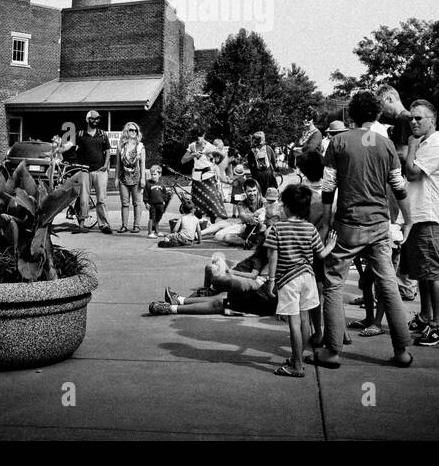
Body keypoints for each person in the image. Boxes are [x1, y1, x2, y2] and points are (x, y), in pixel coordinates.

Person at [318, 90, 414, 369]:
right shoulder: (385, 145)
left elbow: (327, 188)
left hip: (348, 223)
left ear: (350, 114)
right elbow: (398, 187)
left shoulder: (338, 142)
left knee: (334, 282)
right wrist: (407, 220)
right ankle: (401, 350)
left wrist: (326, 223)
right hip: (379, 223)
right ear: (377, 114)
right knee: (388, 284)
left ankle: (333, 350)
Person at [265, 183, 335, 377]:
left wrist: (271, 280)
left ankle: (296, 365)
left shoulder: (277, 229)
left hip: (288, 279)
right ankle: (299, 356)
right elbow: (320, 254)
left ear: (287, 206)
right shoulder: (310, 228)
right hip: (308, 278)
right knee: (305, 321)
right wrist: (330, 244)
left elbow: (273, 256)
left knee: (293, 322)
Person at [399, 100, 439, 346]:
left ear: (432, 120)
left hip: (429, 216)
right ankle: (425, 315)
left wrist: (411, 147)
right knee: (422, 272)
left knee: (434, 272)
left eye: (420, 118)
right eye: (412, 117)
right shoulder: (425, 144)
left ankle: (438, 325)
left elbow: (411, 172)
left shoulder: (435, 146)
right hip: (418, 215)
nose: (414, 121)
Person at [149, 243, 276, 317]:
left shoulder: (279, 260)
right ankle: (180, 300)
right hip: (262, 295)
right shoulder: (273, 259)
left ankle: (170, 309)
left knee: (220, 303)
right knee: (224, 295)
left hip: (264, 303)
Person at [377, 85, 419, 302]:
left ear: (390, 97)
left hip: (398, 182)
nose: (381, 109)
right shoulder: (406, 120)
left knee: (395, 232)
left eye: (382, 103)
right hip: (403, 183)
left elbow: (402, 153)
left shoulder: (403, 119)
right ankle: (403, 284)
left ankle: (400, 285)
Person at [71, 110, 112, 233]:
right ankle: (81, 225)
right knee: (83, 198)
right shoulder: (80, 134)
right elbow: (72, 149)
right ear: (87, 119)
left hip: (100, 171)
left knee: (101, 199)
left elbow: (108, 151)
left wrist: (105, 165)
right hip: (84, 171)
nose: (95, 121)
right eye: (93, 119)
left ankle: (104, 225)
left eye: (97, 119)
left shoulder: (103, 134)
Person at [183, 133, 228, 222]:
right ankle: (198, 224)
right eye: (195, 137)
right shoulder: (192, 146)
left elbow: (222, 156)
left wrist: (213, 161)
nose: (197, 138)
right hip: (197, 177)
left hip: (208, 176)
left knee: (212, 199)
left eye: (199, 136)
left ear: (203, 135)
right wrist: (192, 155)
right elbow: (183, 160)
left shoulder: (210, 146)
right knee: (197, 201)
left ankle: (213, 221)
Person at [116, 121, 147, 233]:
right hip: (123, 178)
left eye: (135, 130)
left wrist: (143, 178)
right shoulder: (121, 146)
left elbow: (143, 164)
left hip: (136, 178)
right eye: (131, 130)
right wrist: (116, 178)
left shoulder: (140, 146)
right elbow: (118, 164)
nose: (133, 132)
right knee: (125, 203)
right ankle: (124, 225)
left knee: (137, 203)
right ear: (126, 132)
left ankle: (136, 226)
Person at [144, 165, 173, 238]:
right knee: (152, 218)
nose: (153, 176)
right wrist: (146, 203)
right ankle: (150, 233)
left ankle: (157, 232)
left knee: (158, 218)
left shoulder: (161, 184)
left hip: (160, 204)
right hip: (152, 204)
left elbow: (164, 194)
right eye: (152, 174)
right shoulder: (148, 184)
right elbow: (146, 194)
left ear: (159, 175)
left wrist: (164, 201)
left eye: (155, 174)